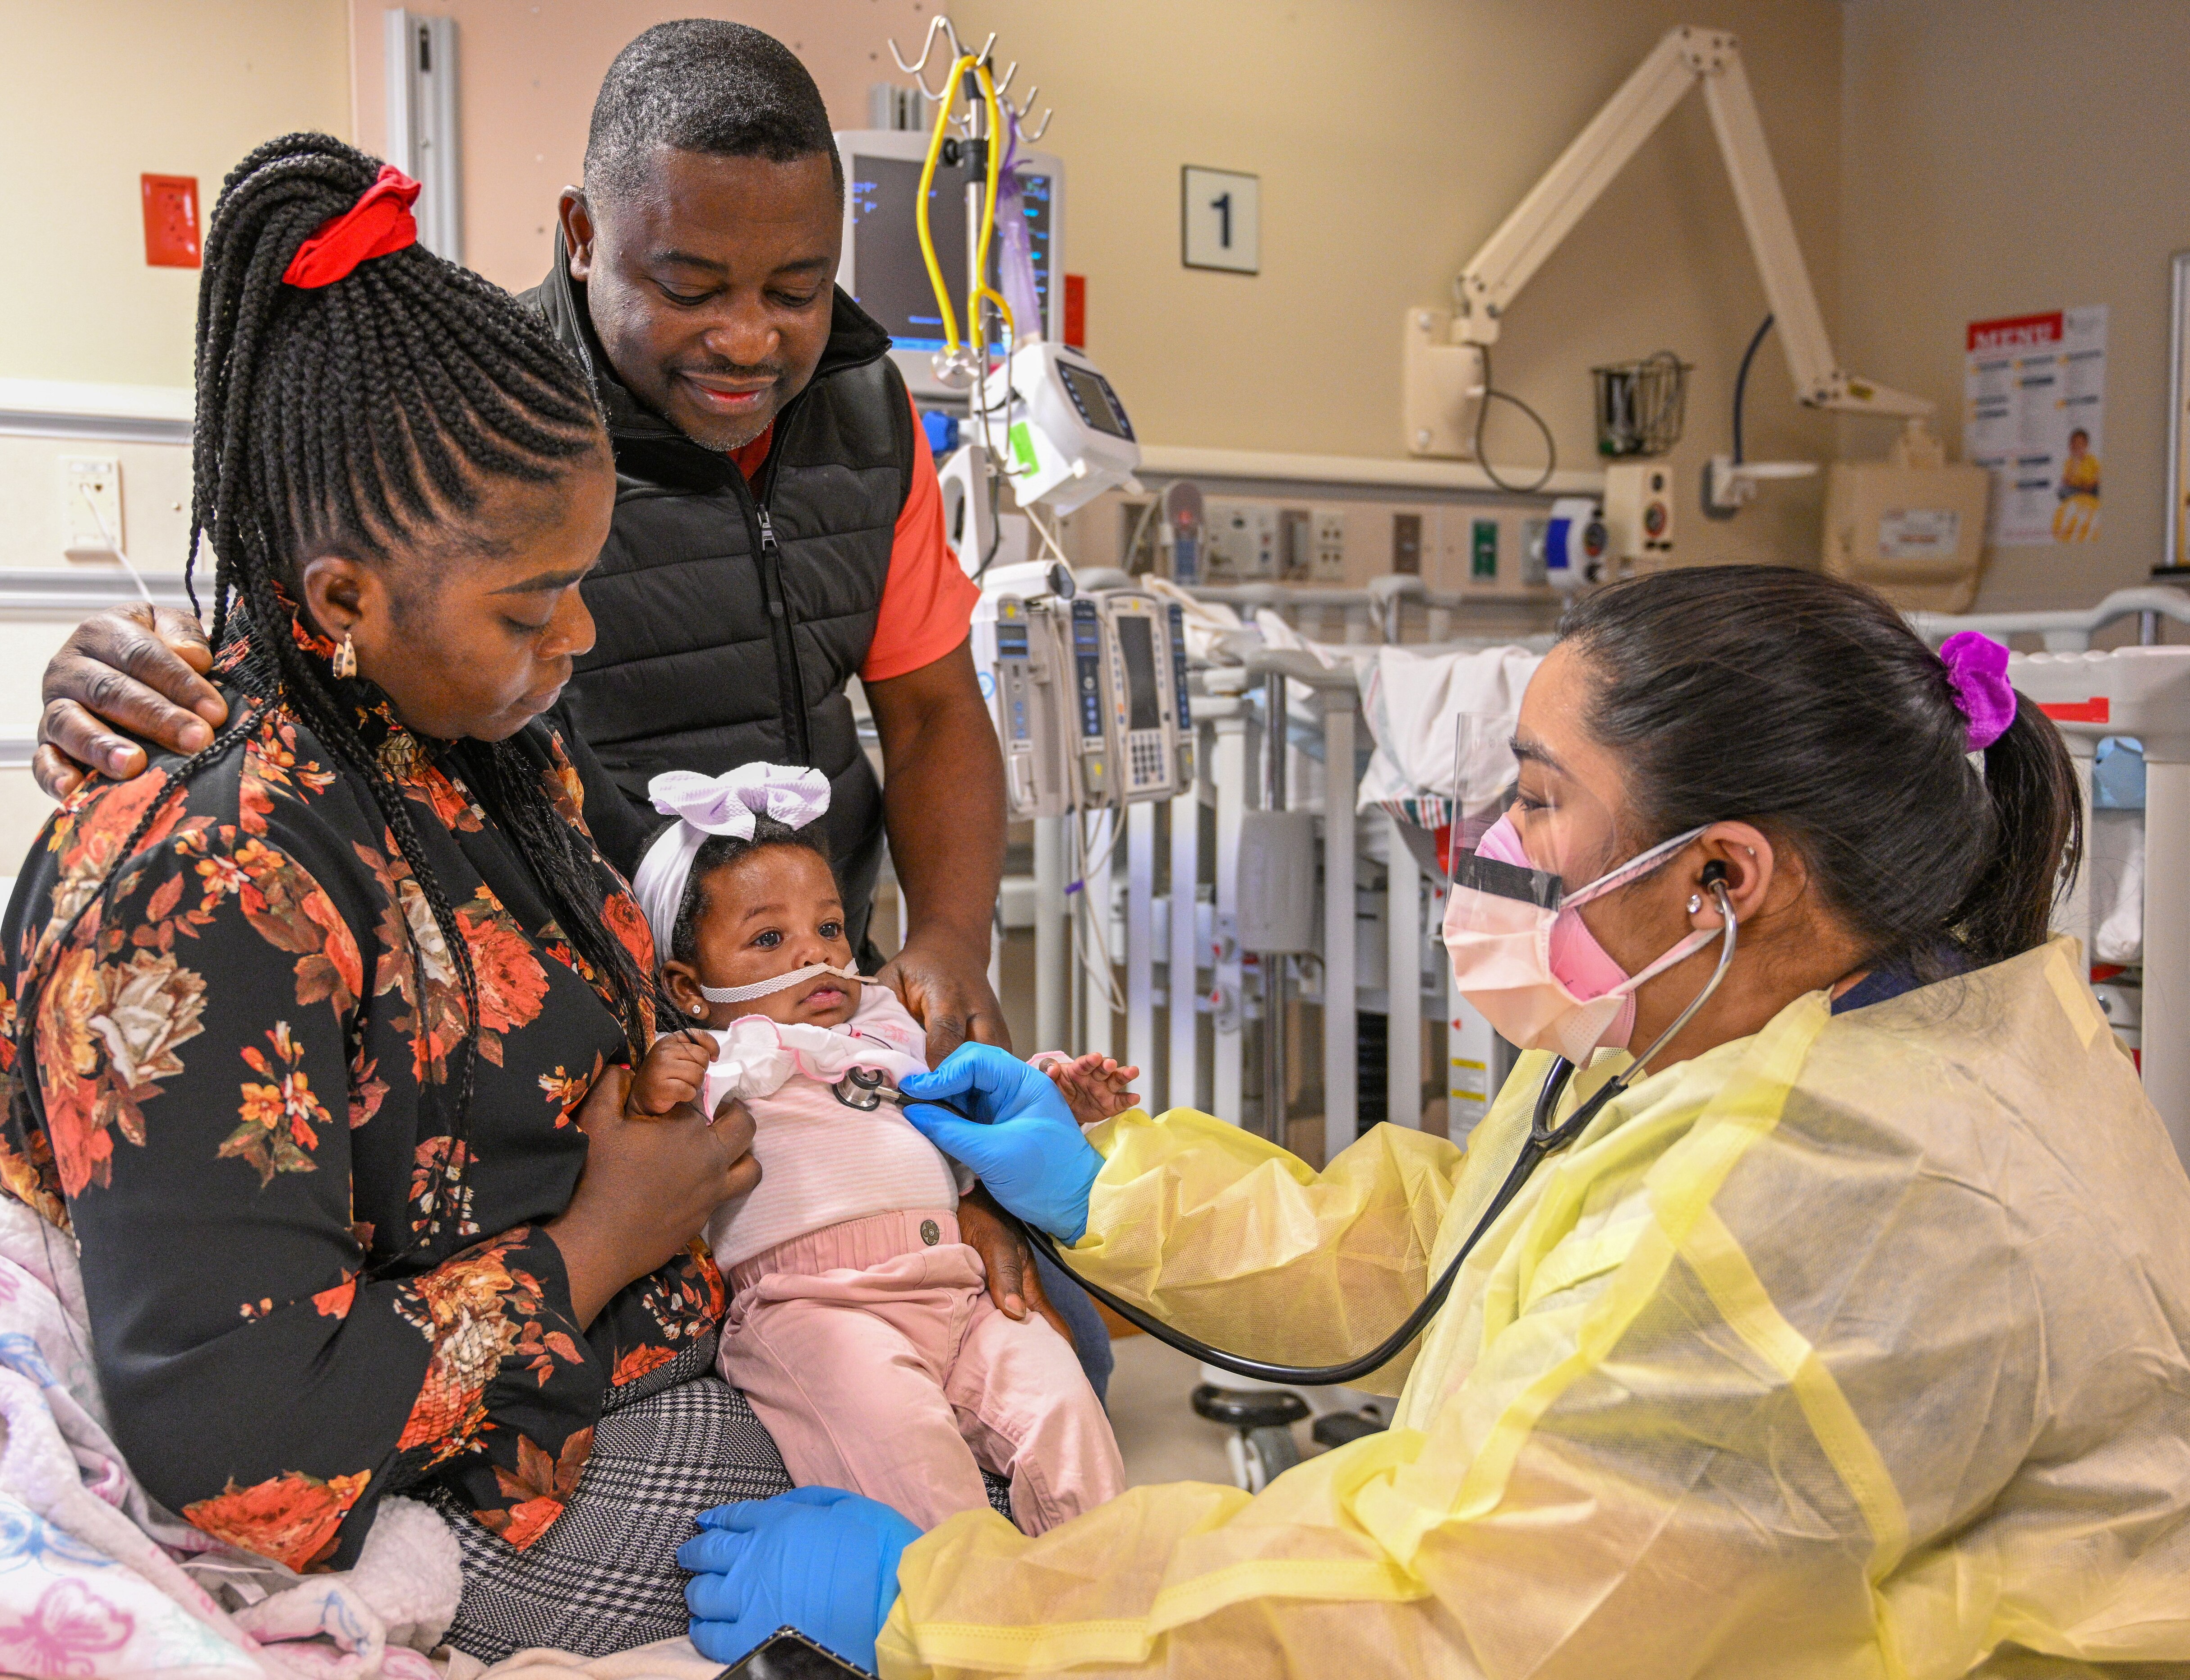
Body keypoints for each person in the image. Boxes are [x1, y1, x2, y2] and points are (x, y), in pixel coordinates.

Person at [678, 566, 2190, 1677]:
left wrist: (951, 1606)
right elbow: (1466, 1255)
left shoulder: (1845, 1206)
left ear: (1721, 877)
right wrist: (1108, 1185)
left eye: (1537, 801)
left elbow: (1448, 1620)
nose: (1488, 848)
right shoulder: (1713, 1028)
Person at [0, 133, 969, 1669]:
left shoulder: (473, 744)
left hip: (659, 1311)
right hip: (496, 1459)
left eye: (584, 578)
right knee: (985, 1557)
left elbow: (569, 987)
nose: (575, 636)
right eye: (531, 604)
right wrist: (599, 1237)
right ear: (340, 603)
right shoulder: (210, 880)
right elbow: (243, 1432)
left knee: (1043, 1358)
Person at [23, 17, 1115, 1394]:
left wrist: (945, 952)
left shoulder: (865, 416)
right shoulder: (490, 441)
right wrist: (136, 684)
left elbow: (937, 710)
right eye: (693, 282)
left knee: (1047, 1348)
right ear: (583, 236)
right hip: (608, 1069)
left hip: (798, 1006)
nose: (750, 337)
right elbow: (310, 660)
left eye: (796, 287)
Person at [620, 762, 1128, 1534]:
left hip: (957, 1287)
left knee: (1066, 1410)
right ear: (690, 988)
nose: (817, 955)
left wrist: (1057, 1093)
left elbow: (978, 1100)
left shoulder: (887, 1025)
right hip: (817, 1310)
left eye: (829, 928)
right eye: (769, 938)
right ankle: (972, 1630)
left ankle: (1107, 1602)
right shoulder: (706, 1055)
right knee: (914, 1474)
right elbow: (646, 1150)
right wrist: (659, 1083)